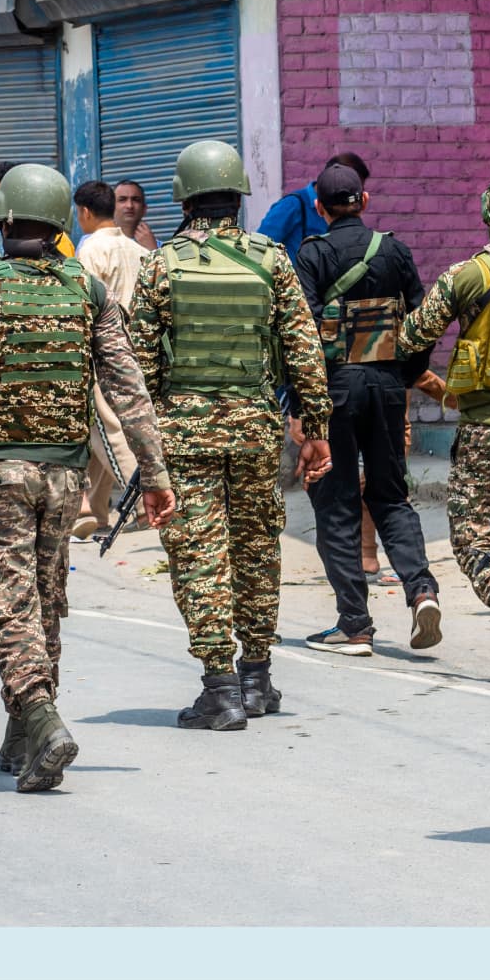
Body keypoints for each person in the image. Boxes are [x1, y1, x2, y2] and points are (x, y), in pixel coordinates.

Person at [0, 163, 176, 789]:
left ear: (3, 223)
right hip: (64, 478)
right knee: (43, 598)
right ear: (60, 223)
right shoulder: (84, 289)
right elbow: (128, 388)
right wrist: (154, 473)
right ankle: (23, 734)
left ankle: (41, 717)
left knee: (7, 601)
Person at [128, 140, 334, 730]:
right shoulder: (272, 260)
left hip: (184, 435)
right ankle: (257, 678)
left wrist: (147, 450)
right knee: (256, 550)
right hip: (255, 432)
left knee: (201, 556)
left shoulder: (160, 265)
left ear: (184, 201)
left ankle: (220, 689)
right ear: (239, 199)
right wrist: (315, 429)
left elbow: (139, 366)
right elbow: (304, 351)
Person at [396, 176, 490, 683]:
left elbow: (412, 335)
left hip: (484, 427)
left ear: (489, 221)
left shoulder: (468, 275)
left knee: (473, 537)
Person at [294, 163, 440, 656]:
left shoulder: (312, 254)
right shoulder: (395, 251)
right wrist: (404, 374)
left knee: (335, 502)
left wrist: (302, 403)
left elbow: (302, 334)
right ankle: (422, 591)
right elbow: (421, 322)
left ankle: (354, 625)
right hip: (386, 387)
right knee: (391, 496)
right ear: (365, 201)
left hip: (334, 391)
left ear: (320, 207)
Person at [70, 178, 148, 539]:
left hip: (106, 353)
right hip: (140, 351)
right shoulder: (138, 250)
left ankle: (145, 501)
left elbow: (84, 307)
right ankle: (95, 511)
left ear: (84, 212)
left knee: (110, 431)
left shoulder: (90, 251)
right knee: (102, 432)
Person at [259, 151, 370, 265]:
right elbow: (260, 248)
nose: (354, 195)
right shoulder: (292, 205)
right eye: (353, 188)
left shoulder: (345, 209)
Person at [111, 180, 159, 251]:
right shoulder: (97, 243)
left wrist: (153, 250)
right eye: (122, 200)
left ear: (144, 209)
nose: (129, 205)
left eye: (136, 200)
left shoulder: (160, 248)